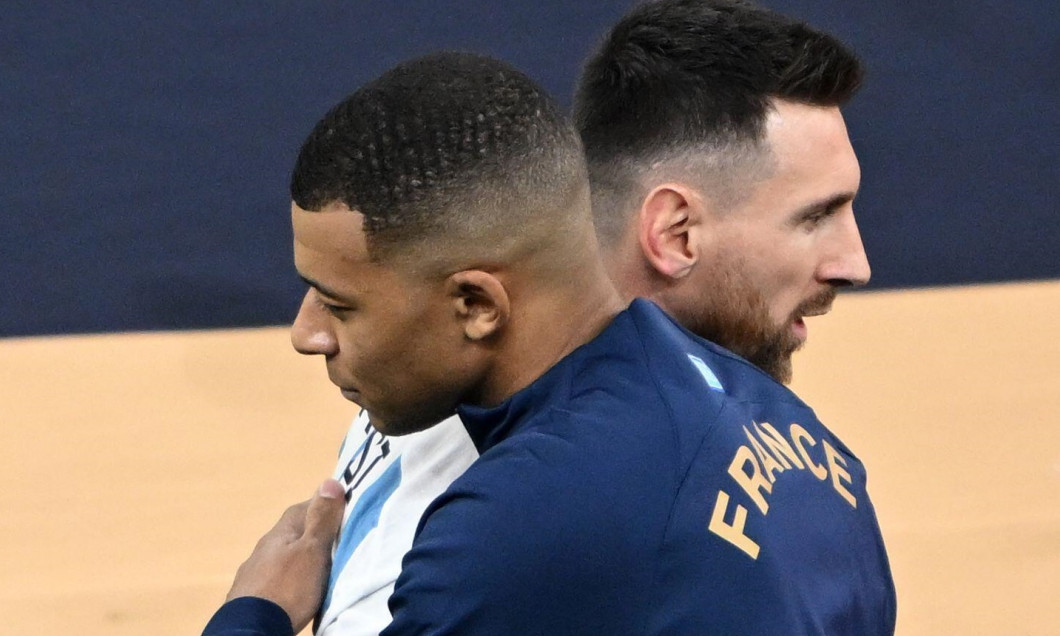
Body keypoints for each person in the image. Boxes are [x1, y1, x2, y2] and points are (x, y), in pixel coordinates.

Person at [204, 21, 893, 636]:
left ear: (477, 305)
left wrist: (253, 612)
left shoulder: (513, 523)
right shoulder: (813, 450)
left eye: (339, 303)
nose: (306, 332)